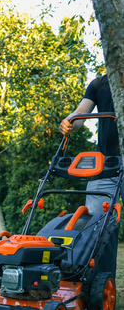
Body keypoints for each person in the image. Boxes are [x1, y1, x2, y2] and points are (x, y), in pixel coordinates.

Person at [60, 74, 124, 214]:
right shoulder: (98, 84)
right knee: (95, 222)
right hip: (105, 165)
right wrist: (69, 122)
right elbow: (79, 114)